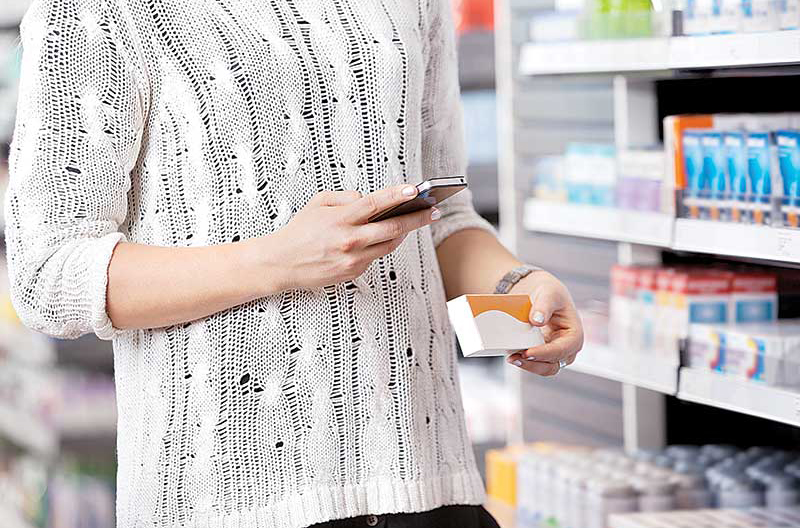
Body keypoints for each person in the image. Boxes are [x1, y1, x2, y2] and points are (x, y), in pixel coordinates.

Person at [5, 0, 583, 526]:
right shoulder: (92, 13)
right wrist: (273, 262)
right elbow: (47, 277)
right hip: (229, 501)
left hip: (428, 484)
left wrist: (517, 284)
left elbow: (443, 214)